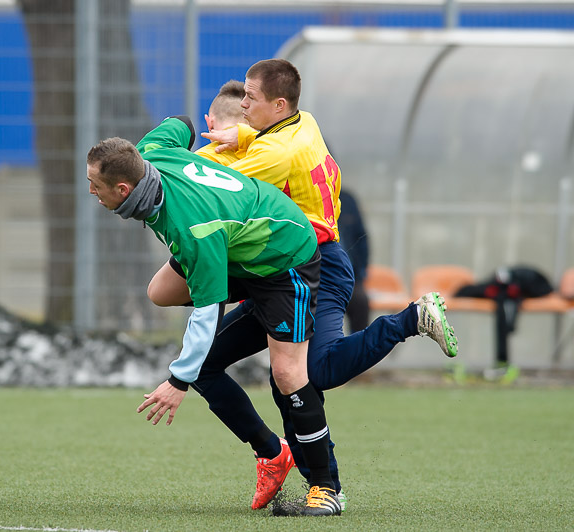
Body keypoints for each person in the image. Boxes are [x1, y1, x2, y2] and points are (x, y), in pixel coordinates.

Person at [147, 58, 459, 515]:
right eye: (242, 96)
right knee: (214, 365)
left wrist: (154, 167)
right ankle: (273, 454)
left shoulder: (272, 156)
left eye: (251, 97)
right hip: (275, 270)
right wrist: (243, 135)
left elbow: (211, 183)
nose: (244, 103)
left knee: (312, 373)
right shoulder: (303, 122)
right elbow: (258, 155)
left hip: (315, 268)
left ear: (278, 104)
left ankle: (411, 320)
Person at [87, 115, 343, 516]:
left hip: (285, 258)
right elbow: (182, 123)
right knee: (169, 307)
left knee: (287, 374)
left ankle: (326, 490)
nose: (91, 191)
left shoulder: (195, 229)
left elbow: (207, 313)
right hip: (241, 253)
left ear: (123, 189)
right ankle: (272, 453)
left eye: (95, 185)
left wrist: (177, 381)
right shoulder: (149, 152)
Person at [338, 189, 370, 333]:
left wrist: (361, 273)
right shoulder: (309, 196)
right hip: (318, 276)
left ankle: (360, 346)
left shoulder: (347, 199)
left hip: (350, 276)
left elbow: (362, 237)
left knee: (361, 302)